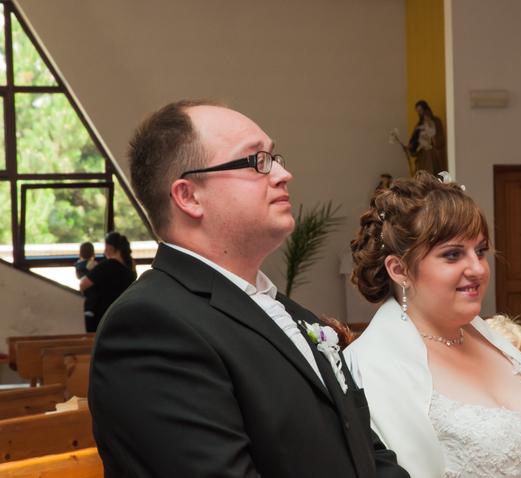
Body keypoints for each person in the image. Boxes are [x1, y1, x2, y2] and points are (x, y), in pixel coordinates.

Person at [88, 100, 409, 478]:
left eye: (275, 158)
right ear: (189, 196)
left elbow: (367, 454)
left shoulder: (289, 313)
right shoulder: (151, 327)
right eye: (257, 161)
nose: (283, 174)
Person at [344, 171, 521, 478]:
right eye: (452, 255)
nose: (478, 269)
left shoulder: (495, 342)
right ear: (399, 270)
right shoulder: (373, 368)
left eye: (480, 251)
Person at [79, 232, 136, 332]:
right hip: (123, 316)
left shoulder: (107, 265)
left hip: (101, 317)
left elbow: (83, 284)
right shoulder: (130, 268)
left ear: (110, 248)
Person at [407, 100, 446, 175]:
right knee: (421, 177)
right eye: (418, 111)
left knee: (432, 175)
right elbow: (414, 141)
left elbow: (440, 140)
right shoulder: (419, 125)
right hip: (421, 155)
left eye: (420, 110)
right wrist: (411, 146)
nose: (419, 113)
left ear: (426, 109)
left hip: (432, 155)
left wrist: (432, 138)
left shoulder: (436, 122)